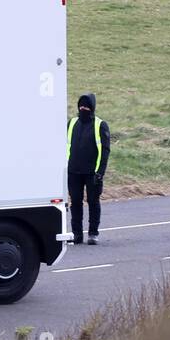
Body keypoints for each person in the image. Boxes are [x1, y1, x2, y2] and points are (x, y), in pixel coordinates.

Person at [66, 92, 110, 245]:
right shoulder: (72, 123)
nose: (83, 108)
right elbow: (66, 146)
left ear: (92, 107)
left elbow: (104, 150)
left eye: (86, 105)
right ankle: (77, 235)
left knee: (93, 201)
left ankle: (93, 233)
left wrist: (100, 173)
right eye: (81, 105)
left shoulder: (100, 125)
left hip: (92, 173)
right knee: (75, 203)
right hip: (73, 172)